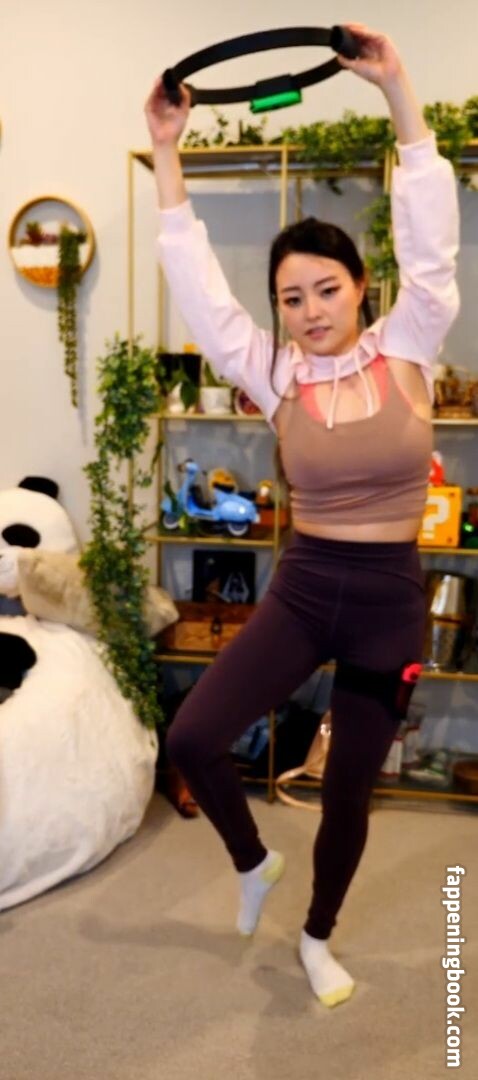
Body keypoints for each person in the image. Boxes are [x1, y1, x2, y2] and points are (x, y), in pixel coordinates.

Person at [144, 24, 459, 1008]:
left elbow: (430, 239)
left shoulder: (410, 343)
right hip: (307, 585)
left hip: (387, 601)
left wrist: (396, 88)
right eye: (290, 297)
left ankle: (318, 935)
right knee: (191, 738)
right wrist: (165, 150)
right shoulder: (273, 370)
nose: (311, 309)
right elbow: (199, 290)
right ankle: (252, 864)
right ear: (277, 310)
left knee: (348, 792)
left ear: (362, 289)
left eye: (327, 288)